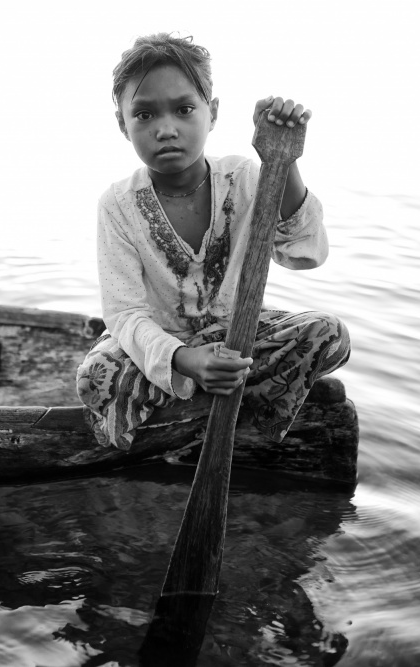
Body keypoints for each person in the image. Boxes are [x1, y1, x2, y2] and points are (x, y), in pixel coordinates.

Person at [75, 33, 350, 450]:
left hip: (235, 339)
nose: (166, 129)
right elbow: (125, 315)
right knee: (94, 377)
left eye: (184, 109)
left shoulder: (244, 179)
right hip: (160, 344)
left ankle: (219, 405)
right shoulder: (118, 205)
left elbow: (305, 252)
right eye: (144, 115)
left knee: (330, 334)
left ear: (213, 113)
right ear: (122, 124)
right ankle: (206, 400)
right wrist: (186, 360)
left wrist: (283, 161)